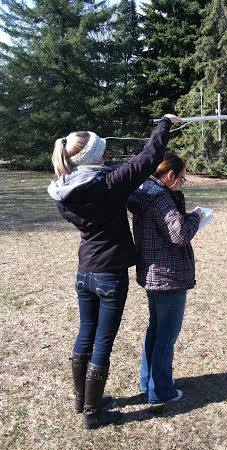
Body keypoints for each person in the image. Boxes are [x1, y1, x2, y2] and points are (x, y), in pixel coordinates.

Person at [47, 114, 180, 429]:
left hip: (85, 272)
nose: (106, 155)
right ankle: (93, 414)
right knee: (102, 341)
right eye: (102, 151)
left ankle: (83, 400)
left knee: (85, 335)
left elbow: (134, 164)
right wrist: (164, 124)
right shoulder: (109, 185)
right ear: (94, 158)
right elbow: (149, 158)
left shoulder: (63, 191)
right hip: (109, 275)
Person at [127, 153, 204, 403]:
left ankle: (148, 380)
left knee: (156, 330)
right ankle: (161, 390)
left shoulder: (145, 193)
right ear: (170, 176)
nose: (183, 182)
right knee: (166, 337)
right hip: (167, 276)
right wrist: (196, 217)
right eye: (182, 178)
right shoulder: (161, 199)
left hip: (152, 274)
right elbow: (180, 234)